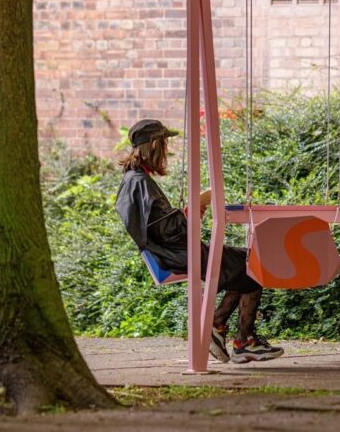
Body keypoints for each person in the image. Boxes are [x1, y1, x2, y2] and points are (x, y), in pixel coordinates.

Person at [115, 119, 283, 364]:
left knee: (248, 264)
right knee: (252, 266)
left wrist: (187, 213)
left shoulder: (134, 180)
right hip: (178, 253)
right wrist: (193, 208)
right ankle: (240, 340)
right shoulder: (139, 183)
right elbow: (165, 230)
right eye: (164, 144)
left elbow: (159, 226)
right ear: (153, 144)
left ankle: (225, 331)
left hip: (175, 249)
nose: (166, 151)